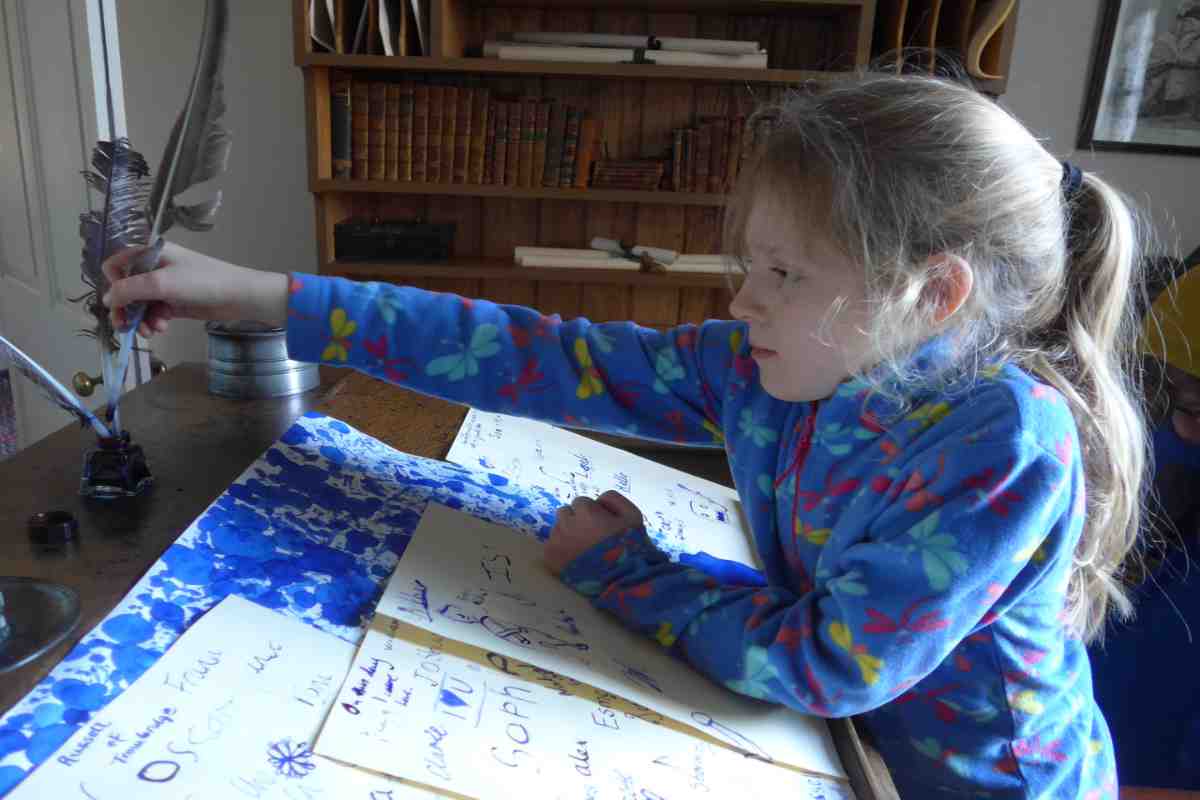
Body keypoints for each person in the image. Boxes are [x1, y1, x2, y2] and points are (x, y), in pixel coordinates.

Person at [102, 73, 1150, 798]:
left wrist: (625, 568)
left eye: (785, 274)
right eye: (753, 263)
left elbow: (830, 659)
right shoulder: (773, 365)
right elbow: (528, 350)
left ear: (932, 294)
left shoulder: (1007, 439)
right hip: (850, 750)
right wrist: (253, 294)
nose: (745, 299)